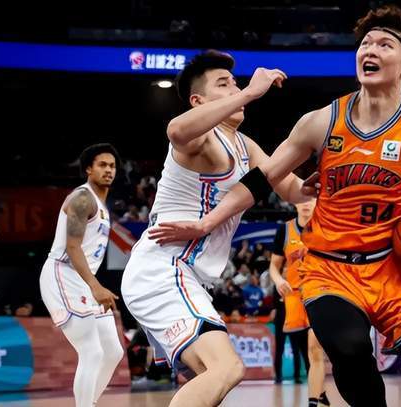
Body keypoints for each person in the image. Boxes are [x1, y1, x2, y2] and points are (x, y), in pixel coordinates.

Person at [149, 6, 401, 406]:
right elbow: (263, 178)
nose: (370, 49)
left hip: (397, 272)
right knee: (350, 350)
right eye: (365, 43)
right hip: (330, 270)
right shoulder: (320, 122)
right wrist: (206, 222)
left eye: (384, 44)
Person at [122, 50, 314, 407]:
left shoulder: (245, 146)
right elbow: (177, 130)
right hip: (164, 269)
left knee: (210, 382)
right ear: (198, 101)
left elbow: (291, 188)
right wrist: (250, 92)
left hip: (186, 277)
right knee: (227, 368)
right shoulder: (203, 137)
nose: (236, 89)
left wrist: (332, 184)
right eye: (223, 84)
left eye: (236, 83)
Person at [39, 143, 124, 407]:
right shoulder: (82, 198)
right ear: (88, 169)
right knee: (92, 351)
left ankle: (89, 403)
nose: (109, 170)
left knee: (113, 351)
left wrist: (92, 285)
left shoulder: (102, 205)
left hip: (82, 279)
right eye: (102, 165)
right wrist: (95, 286)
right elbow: (72, 247)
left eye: (112, 166)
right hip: (62, 274)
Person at [269, 199, 329, 407]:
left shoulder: (326, 227)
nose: (305, 204)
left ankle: (314, 401)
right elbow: (273, 266)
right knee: (305, 350)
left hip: (319, 294)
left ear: (318, 202)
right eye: (301, 199)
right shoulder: (284, 230)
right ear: (294, 203)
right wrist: (278, 280)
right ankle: (321, 396)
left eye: (310, 199)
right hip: (293, 298)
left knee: (314, 348)